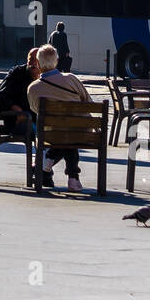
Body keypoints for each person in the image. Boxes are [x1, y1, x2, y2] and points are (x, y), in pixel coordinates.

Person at [27, 44, 92, 192]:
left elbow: (34, 109)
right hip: (81, 132)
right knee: (69, 134)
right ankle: (73, 178)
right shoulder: (71, 79)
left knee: (62, 133)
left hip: (51, 135)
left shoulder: (33, 88)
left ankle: (48, 160)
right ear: (56, 61)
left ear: (37, 63)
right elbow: (88, 102)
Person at [0, 48, 41, 139]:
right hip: (18, 121)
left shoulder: (45, 76)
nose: (33, 63)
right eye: (31, 59)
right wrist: (16, 109)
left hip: (38, 120)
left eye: (37, 60)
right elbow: (0, 96)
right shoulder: (17, 73)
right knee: (42, 136)